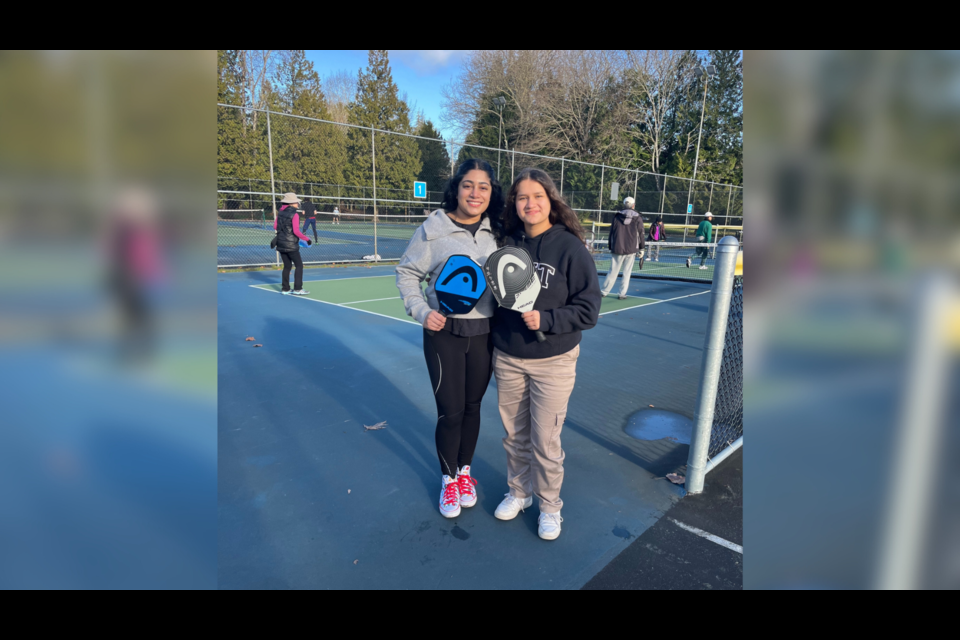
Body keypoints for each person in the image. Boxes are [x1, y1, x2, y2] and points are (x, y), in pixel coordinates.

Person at [490, 168, 601, 541]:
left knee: (545, 441)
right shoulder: (507, 243)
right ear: (515, 204)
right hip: (507, 356)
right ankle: (519, 493)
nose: (530, 203)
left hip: (553, 361)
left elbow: (589, 310)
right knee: (514, 436)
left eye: (537, 196)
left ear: (550, 200)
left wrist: (548, 319)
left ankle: (550, 507)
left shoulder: (570, 247)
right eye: (522, 197)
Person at [396, 159, 502, 519]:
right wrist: (422, 312)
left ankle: (465, 472)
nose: (475, 193)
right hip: (445, 336)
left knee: (473, 409)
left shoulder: (498, 232)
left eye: (483, 186)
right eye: (468, 185)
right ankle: (448, 479)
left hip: (486, 334)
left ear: (491, 192)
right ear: (456, 188)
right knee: (451, 412)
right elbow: (407, 273)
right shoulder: (433, 229)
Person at [600, 196, 644, 300]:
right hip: (631, 248)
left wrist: (611, 246)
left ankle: (603, 292)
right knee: (626, 273)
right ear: (633, 205)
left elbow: (611, 232)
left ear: (624, 205)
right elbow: (641, 233)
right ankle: (622, 294)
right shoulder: (637, 217)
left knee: (612, 271)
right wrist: (642, 248)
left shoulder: (616, 216)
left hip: (617, 248)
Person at [274, 192, 312, 295]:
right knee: (299, 265)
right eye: (296, 201)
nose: (298, 203)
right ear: (291, 203)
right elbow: (296, 231)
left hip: (281, 243)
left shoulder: (280, 213)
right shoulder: (294, 214)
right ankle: (298, 288)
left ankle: (285, 289)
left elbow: (275, 227)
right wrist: (307, 239)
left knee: (287, 266)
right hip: (291, 245)